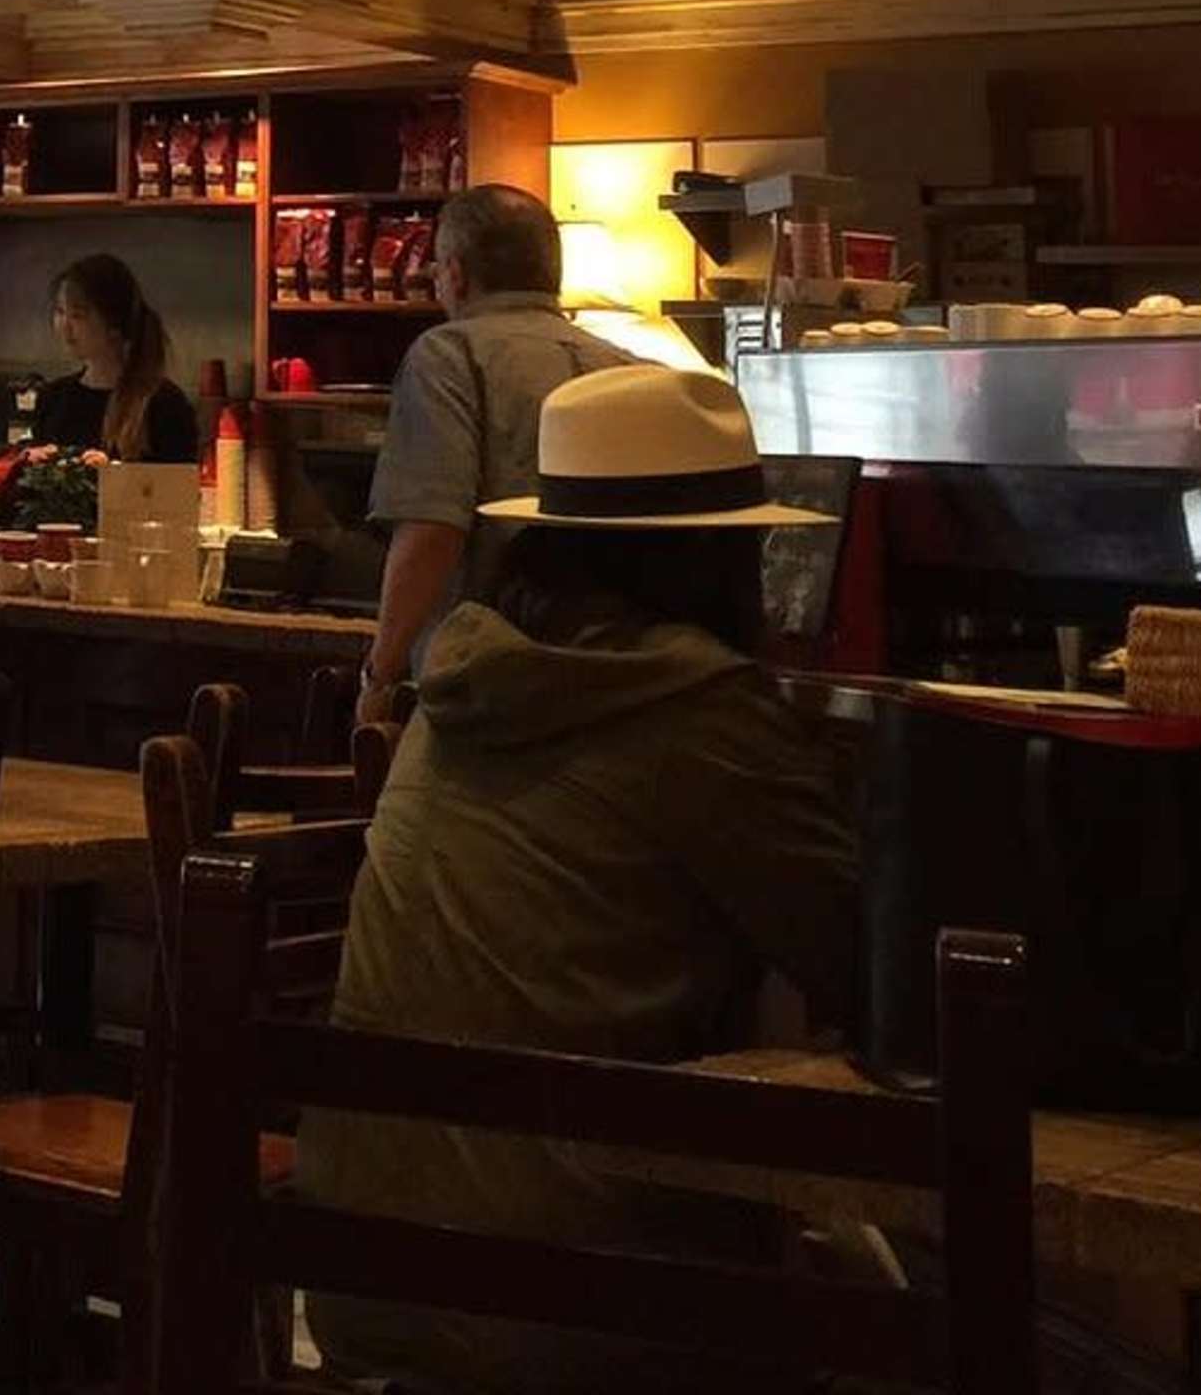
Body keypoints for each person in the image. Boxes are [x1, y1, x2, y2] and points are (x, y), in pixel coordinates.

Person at [297, 366, 853, 1394]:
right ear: (724, 552)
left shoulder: (465, 670)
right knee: (897, 1307)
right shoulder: (700, 708)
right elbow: (861, 961)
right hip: (577, 1303)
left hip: (359, 1275)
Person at [356, 185, 634, 706]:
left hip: (484, 685)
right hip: (605, 683)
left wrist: (380, 675)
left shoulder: (448, 355)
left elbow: (431, 530)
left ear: (456, 274)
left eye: (436, 268)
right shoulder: (626, 368)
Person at [34, 254, 199, 463]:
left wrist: (112, 475)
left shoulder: (162, 404)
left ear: (113, 324)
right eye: (59, 311)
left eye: (78, 315)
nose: (64, 325)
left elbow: (175, 487)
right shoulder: (53, 399)